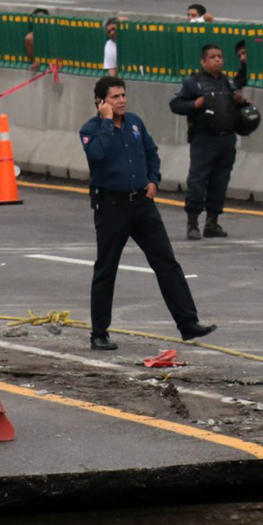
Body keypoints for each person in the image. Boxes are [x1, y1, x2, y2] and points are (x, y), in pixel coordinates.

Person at [80, 76, 215, 350]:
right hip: (112, 207)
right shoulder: (91, 129)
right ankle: (99, 333)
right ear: (100, 101)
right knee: (106, 269)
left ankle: (188, 323)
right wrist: (107, 122)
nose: (121, 100)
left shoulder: (135, 123)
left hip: (142, 205)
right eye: (115, 97)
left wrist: (153, 179)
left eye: (123, 95)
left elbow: (152, 153)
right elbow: (97, 155)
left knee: (167, 263)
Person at [169, 41, 248, 241]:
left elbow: (238, 95)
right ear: (203, 62)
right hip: (203, 139)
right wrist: (194, 104)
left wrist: (241, 102)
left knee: (220, 181)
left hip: (226, 139)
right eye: (212, 57)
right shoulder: (192, 82)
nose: (217, 60)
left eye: (220, 57)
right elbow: (175, 104)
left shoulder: (227, 82)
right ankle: (192, 223)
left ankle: (212, 223)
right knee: (198, 181)